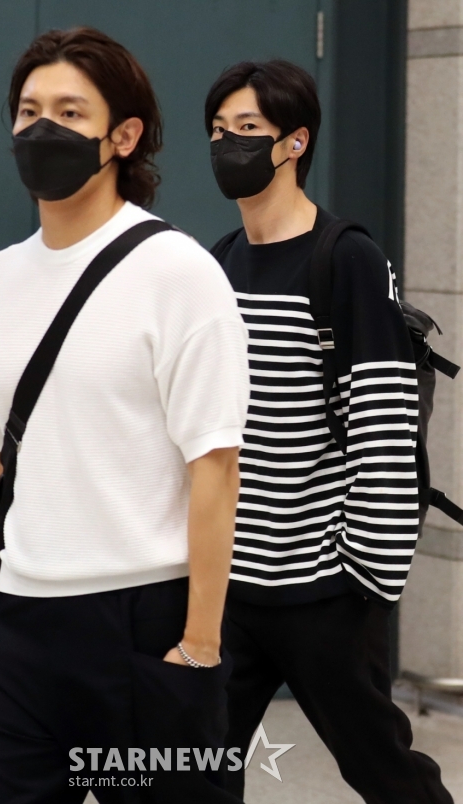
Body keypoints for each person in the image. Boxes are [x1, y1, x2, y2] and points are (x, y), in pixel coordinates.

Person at [0, 27, 250, 804]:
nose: (42, 128)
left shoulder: (179, 272)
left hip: (141, 630)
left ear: (124, 136)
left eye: (70, 112)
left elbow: (215, 466)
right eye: (29, 110)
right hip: (13, 628)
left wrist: (199, 646)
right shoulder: (1, 276)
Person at [206, 59, 454, 803]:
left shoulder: (346, 258)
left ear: (295, 142)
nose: (226, 144)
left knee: (388, 776)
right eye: (217, 130)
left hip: (323, 591)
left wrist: (362, 580)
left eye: (247, 128)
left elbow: (384, 430)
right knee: (185, 776)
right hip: (230, 590)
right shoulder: (217, 263)